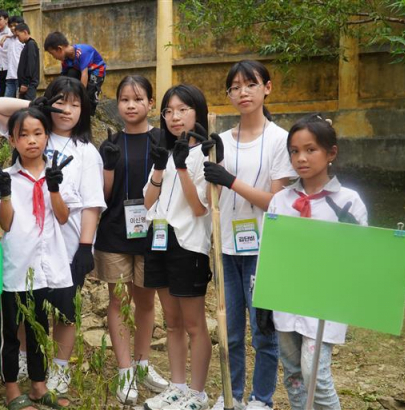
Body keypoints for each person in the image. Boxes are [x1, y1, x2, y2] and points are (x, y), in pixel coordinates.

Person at [0, 77, 106, 395]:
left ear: (84, 109)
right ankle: (26, 359)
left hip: (68, 247)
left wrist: (85, 246)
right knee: (30, 308)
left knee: (66, 313)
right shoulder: (36, 132)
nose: (67, 110)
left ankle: (60, 368)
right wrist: (37, 106)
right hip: (28, 245)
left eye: (75, 103)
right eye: (60, 101)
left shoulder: (86, 152)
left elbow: (92, 205)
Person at [203, 60, 297, 410]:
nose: (243, 92)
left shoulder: (281, 139)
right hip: (226, 246)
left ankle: (262, 399)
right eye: (235, 87)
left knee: (263, 331)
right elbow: (212, 198)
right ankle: (233, 394)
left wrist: (230, 180)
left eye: (250, 84)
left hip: (263, 249)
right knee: (229, 330)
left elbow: (276, 201)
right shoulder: (222, 140)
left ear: (267, 88)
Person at [268, 114, 367, 410]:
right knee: (294, 375)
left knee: (315, 375)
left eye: (310, 150)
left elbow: (359, 255)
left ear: (331, 153)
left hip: (325, 303)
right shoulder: (281, 201)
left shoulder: (348, 202)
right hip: (286, 300)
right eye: (295, 151)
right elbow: (271, 253)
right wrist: (264, 297)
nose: (301, 158)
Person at [0, 107, 78, 410]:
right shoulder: (8, 177)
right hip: (16, 267)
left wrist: (54, 188)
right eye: (22, 135)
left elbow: (63, 217)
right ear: (12, 140)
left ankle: (39, 386)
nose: (31, 140)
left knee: (40, 327)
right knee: (12, 331)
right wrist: (5, 194)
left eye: (37, 133)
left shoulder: (57, 173)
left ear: (47, 136)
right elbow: (6, 224)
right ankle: (12, 388)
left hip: (45, 268)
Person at [93, 75, 168, 405]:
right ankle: (125, 370)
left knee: (146, 302)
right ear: (117, 104)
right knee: (118, 301)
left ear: (151, 103)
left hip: (153, 233)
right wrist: (107, 167)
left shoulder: (162, 139)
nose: (131, 105)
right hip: (114, 233)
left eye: (138, 99)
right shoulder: (109, 143)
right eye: (124, 99)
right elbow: (104, 196)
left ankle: (142, 365)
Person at [142, 84, 217, 410]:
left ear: (197, 112)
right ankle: (178, 387)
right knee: (171, 322)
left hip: (189, 245)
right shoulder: (165, 152)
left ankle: (197, 394)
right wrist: (161, 167)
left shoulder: (207, 153)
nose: (175, 117)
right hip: (159, 241)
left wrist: (184, 166)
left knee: (193, 324)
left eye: (183, 109)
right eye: (169, 110)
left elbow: (200, 208)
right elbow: (147, 201)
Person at [43, 32, 106, 116]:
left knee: (90, 92)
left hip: (96, 72)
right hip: (81, 72)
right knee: (70, 74)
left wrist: (81, 95)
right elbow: (63, 77)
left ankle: (89, 115)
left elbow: (84, 74)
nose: (54, 57)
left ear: (59, 49)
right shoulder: (65, 60)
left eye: (52, 54)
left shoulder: (82, 52)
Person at [0, 16, 25, 98]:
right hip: (10, 76)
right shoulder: (10, 39)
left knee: (19, 102)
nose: (13, 28)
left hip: (20, 77)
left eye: (15, 25)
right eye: (11, 26)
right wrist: (6, 36)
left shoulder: (23, 41)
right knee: (6, 102)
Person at [14, 23, 40, 101]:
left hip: (29, 85)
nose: (18, 38)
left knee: (28, 108)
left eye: (18, 35)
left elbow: (31, 65)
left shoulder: (31, 44)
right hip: (26, 85)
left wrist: (26, 83)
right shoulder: (27, 45)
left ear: (25, 32)